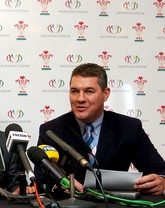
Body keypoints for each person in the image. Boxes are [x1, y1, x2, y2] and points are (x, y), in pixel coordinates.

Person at [36, 63, 165, 195]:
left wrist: (161, 181)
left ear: (105, 94)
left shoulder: (129, 127)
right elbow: (41, 182)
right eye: (74, 91)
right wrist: (59, 186)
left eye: (89, 91)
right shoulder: (51, 131)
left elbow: (159, 170)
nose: (80, 99)